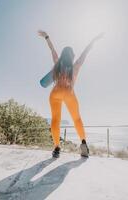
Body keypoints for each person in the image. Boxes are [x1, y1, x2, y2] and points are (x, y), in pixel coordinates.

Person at [38, 30, 104, 158]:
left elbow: (52, 49)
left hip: (55, 93)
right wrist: (94, 40)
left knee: (55, 120)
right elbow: (86, 52)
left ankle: (57, 148)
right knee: (77, 118)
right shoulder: (76, 65)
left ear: (63, 55)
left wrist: (46, 36)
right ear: (72, 56)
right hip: (69, 93)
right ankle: (84, 143)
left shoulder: (57, 63)